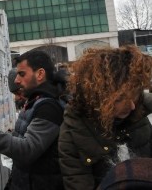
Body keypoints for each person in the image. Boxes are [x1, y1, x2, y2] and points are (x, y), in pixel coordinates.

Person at [0, 50, 66, 190]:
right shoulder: (35, 102)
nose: (16, 80)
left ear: (40, 74)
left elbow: (27, 150)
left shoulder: (48, 107)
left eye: (22, 74)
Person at [58, 45, 152, 190]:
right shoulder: (73, 133)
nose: (132, 106)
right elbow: (78, 183)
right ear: (97, 97)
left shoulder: (138, 109)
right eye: (120, 99)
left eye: (134, 95)